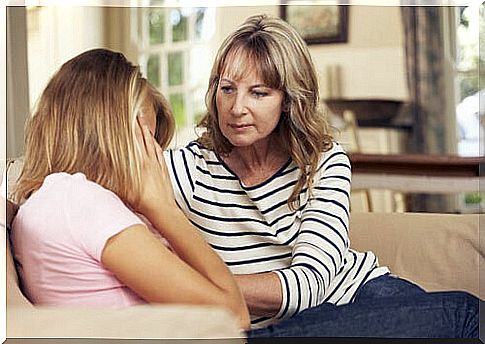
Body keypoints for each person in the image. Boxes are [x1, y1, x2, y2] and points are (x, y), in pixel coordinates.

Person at [164, 14, 480, 337]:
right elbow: (115, 179)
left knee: (469, 318)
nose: (236, 107)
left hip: (359, 297)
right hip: (287, 328)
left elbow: (309, 285)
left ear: (288, 100)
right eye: (227, 89)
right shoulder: (192, 167)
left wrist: (202, 289)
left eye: (258, 93)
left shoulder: (324, 163)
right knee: (469, 317)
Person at [9, 48, 250, 330]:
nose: (154, 158)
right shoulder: (81, 201)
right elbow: (233, 317)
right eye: (146, 140)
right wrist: (165, 210)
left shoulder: (49, 198)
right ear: (109, 132)